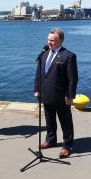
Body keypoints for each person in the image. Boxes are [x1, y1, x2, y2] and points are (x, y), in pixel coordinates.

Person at [34, 28, 78, 158]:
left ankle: (67, 145)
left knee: (65, 122)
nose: (49, 42)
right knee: (49, 119)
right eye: (48, 39)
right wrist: (37, 89)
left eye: (52, 40)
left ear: (61, 40)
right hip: (45, 93)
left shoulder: (68, 56)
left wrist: (70, 96)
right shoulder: (44, 53)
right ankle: (51, 139)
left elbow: (72, 79)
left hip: (61, 97)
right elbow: (39, 73)